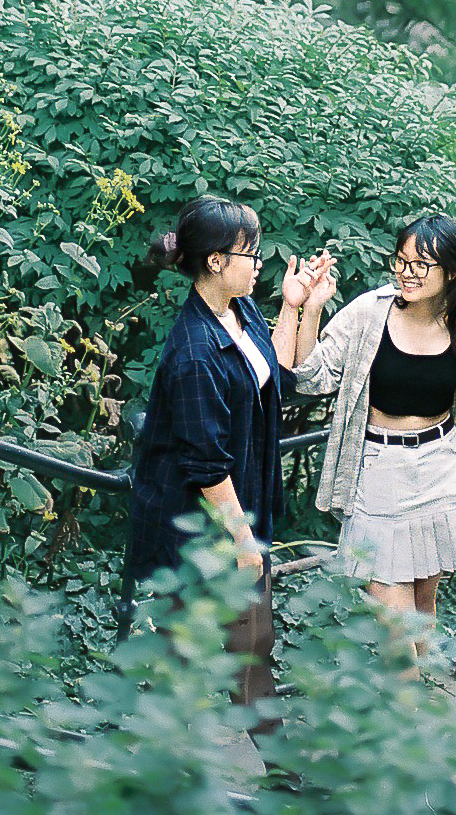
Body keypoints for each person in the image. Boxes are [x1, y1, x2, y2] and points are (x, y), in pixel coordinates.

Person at [274, 213, 456, 654]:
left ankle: (417, 710)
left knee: (422, 608)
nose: (407, 273)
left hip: (442, 468)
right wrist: (313, 306)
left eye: (421, 265)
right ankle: (413, 707)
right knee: (394, 631)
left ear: (451, 272)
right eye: (401, 261)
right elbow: (310, 376)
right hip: (380, 472)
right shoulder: (369, 312)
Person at [127, 194, 317, 711]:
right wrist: (244, 540)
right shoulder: (194, 352)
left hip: (238, 512)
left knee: (250, 646)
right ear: (216, 261)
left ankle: (267, 771)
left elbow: (280, 371)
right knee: (195, 654)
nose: (260, 264)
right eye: (251, 254)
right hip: (197, 526)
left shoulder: (240, 310)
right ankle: (174, 772)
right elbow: (207, 465)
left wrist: (301, 308)